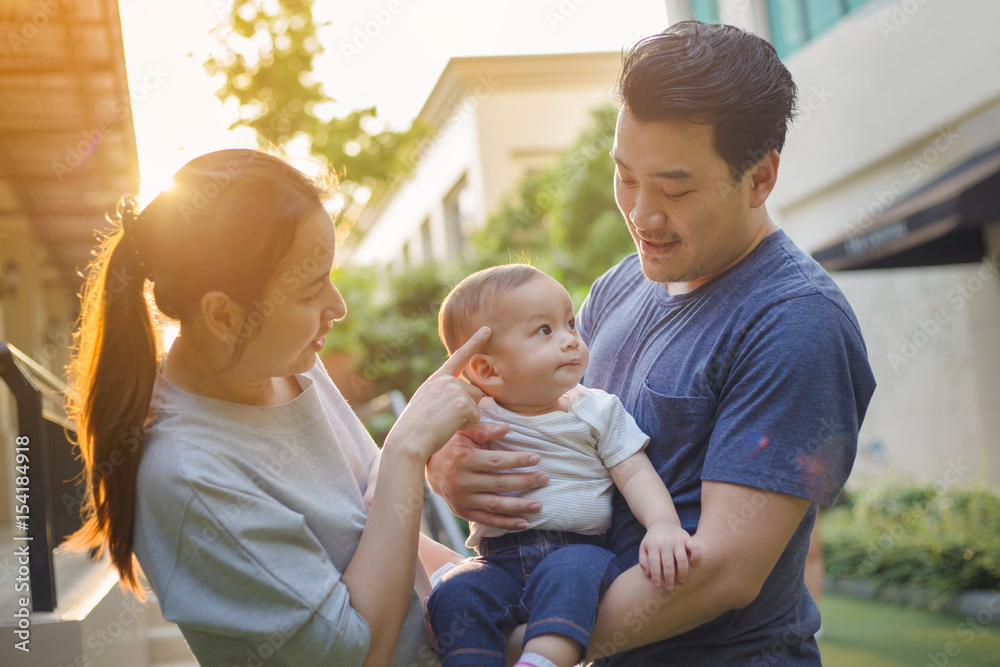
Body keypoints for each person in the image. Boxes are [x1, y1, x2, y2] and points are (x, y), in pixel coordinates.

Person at [426, 21, 877, 665]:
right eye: (625, 176)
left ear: (760, 178)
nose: (641, 214)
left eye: (675, 188)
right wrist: (450, 465)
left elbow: (724, 571)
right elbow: (552, 419)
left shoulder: (796, 322)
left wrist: (524, 645)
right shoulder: (620, 285)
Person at [66, 149, 509, 666]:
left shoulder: (288, 362)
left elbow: (387, 536)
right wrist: (407, 450)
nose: (338, 308)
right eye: (309, 289)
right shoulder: (189, 477)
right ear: (224, 316)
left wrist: (493, 595)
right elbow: (357, 654)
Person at [416, 264, 698, 667]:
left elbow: (634, 471)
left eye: (569, 323)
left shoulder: (596, 409)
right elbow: (420, 448)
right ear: (487, 370)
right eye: (545, 331)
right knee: (456, 591)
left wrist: (664, 525)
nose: (570, 340)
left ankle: (544, 661)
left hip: (577, 549)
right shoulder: (472, 415)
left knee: (572, 577)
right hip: (497, 560)